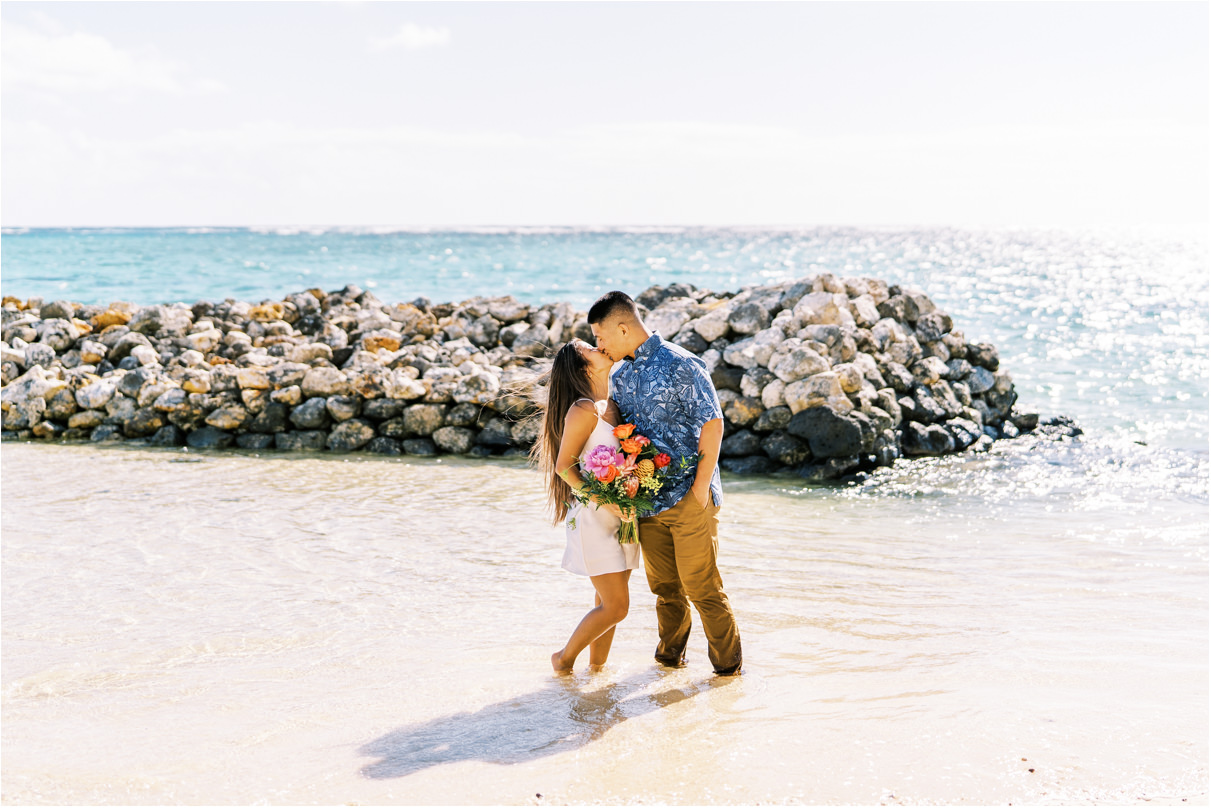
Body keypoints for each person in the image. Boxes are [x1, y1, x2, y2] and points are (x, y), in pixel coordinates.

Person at [587, 291, 743, 676]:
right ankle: (668, 665)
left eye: (601, 337)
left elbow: (713, 423)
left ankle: (728, 674)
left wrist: (700, 490)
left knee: (702, 589)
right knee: (665, 592)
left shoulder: (682, 363)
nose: (599, 345)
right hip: (648, 502)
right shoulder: (620, 375)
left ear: (623, 327)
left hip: (691, 498)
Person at [533, 338, 642, 674]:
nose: (601, 348)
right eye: (590, 349)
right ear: (582, 368)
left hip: (622, 516)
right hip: (596, 518)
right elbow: (565, 467)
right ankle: (563, 659)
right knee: (617, 606)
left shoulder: (613, 406)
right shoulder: (583, 409)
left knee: (606, 600)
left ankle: (597, 671)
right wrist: (609, 504)